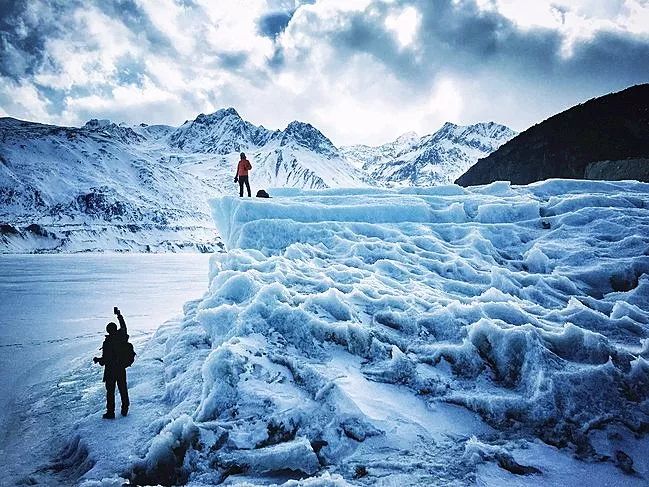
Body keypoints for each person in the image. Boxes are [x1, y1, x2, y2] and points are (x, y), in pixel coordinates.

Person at [93, 307, 130, 419]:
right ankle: (124, 409)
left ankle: (110, 412)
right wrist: (119, 315)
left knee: (110, 392)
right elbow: (123, 326)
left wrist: (97, 359)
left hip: (110, 371)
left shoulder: (107, 343)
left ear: (108, 331)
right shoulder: (122, 336)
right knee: (123, 389)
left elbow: (105, 360)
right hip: (121, 369)